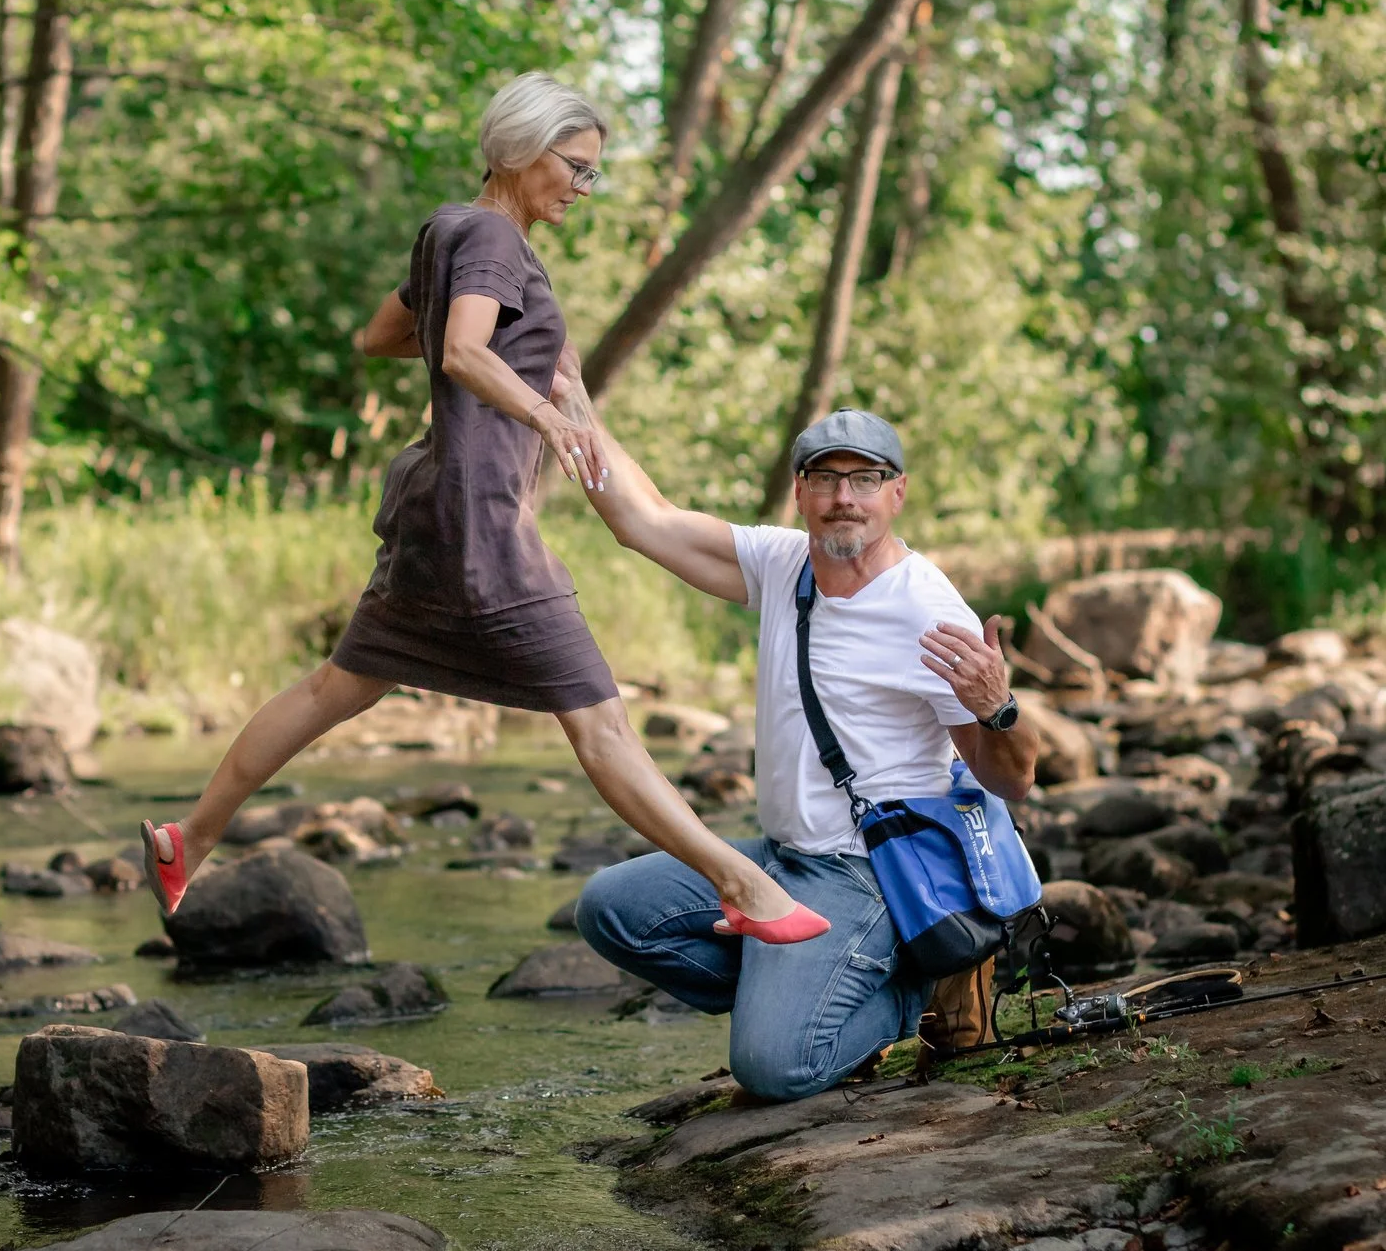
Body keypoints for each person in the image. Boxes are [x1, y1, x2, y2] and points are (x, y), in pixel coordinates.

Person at [141, 73, 826, 943]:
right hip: (485, 527)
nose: (583, 188)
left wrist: (523, 373)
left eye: (593, 174)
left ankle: (189, 837)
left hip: (434, 510)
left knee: (333, 689)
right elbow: (462, 349)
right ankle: (744, 886)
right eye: (574, 168)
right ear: (517, 151)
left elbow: (383, 335)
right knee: (603, 723)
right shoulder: (495, 242)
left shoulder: (450, 232)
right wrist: (538, 406)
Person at [570, 407, 1041, 1099]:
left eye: (865, 478)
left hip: (867, 871)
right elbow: (642, 520)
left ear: (897, 491)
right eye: (826, 478)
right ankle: (807, 994)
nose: (844, 497)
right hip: (780, 859)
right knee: (609, 908)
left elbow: (1013, 779)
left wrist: (996, 705)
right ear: (801, 491)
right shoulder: (781, 561)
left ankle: (917, 988)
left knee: (772, 1067)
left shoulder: (929, 611)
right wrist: (575, 405)